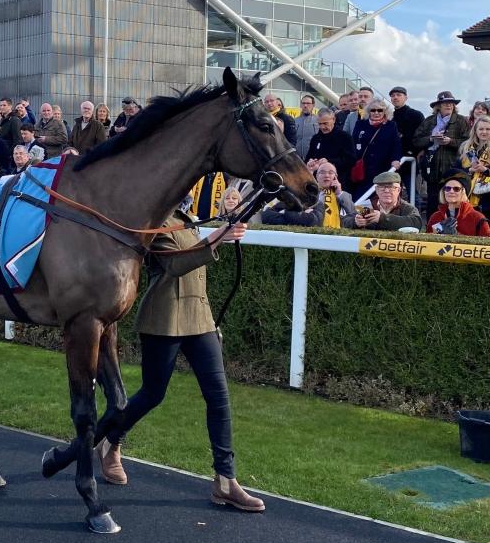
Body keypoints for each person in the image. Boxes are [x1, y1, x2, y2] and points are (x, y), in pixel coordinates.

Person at [95, 208, 264, 511]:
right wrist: (217, 238)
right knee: (152, 393)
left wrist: (224, 230)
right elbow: (174, 264)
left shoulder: (186, 218)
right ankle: (111, 440)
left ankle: (226, 481)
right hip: (164, 318)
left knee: (219, 397)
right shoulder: (154, 220)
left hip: (200, 319)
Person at [413, 91, 470, 219]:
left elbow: (468, 143)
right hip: (431, 168)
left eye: (451, 103)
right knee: (433, 201)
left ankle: (454, 229)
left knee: (453, 200)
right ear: (438, 105)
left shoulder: (461, 121)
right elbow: (416, 141)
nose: (448, 105)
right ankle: (431, 228)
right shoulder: (429, 121)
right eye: (445, 103)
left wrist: (450, 142)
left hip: (453, 168)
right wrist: (431, 139)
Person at [262, 162, 356, 228]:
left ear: (336, 177)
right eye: (322, 172)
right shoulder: (308, 193)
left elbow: (352, 213)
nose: (326, 175)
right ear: (316, 177)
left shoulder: (343, 195)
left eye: (331, 173)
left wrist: (339, 193)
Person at [350, 99, 402, 200]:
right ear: (369, 111)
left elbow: (396, 144)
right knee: (360, 198)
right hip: (363, 169)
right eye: (373, 110)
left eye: (380, 110)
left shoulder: (391, 125)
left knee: (380, 197)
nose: (376, 113)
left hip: (382, 167)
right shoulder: (360, 124)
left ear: (385, 112)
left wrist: (396, 159)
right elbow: (353, 142)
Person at [354, 170, 423, 231]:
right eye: (382, 187)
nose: (386, 191)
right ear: (376, 190)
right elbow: (346, 219)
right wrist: (356, 222)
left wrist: (382, 218)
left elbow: (417, 223)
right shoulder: (366, 206)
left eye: (391, 187)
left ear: (398, 190)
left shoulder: (407, 208)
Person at [426, 171, 490, 236]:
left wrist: (457, 236)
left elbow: (487, 244)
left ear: (464, 192)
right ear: (443, 192)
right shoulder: (435, 217)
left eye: (456, 189)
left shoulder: (478, 218)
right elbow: (425, 243)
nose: (451, 191)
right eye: (447, 188)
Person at [305, 108, 355, 184]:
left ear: (334, 120)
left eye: (325, 123)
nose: (322, 127)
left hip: (338, 181)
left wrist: (329, 161)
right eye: (319, 124)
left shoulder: (345, 137)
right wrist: (310, 163)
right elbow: (308, 157)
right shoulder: (315, 138)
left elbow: (351, 160)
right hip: (317, 182)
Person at [295, 94, 319, 160]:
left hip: (314, 159)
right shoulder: (295, 121)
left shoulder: (318, 120)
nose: (305, 105)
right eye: (303, 103)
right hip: (297, 159)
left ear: (313, 105)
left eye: (308, 103)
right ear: (300, 105)